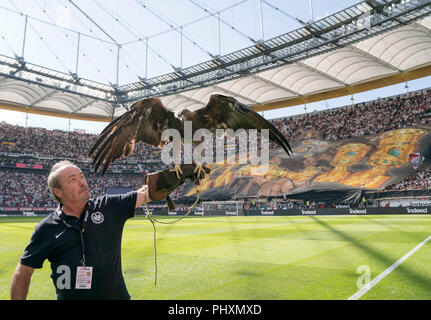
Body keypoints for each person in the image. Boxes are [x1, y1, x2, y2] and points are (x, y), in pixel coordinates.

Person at [10, 160, 208, 300]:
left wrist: (176, 176)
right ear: (58, 192)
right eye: (72, 180)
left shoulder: (108, 206)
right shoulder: (46, 229)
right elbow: (23, 272)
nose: (82, 182)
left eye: (81, 176)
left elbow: (145, 193)